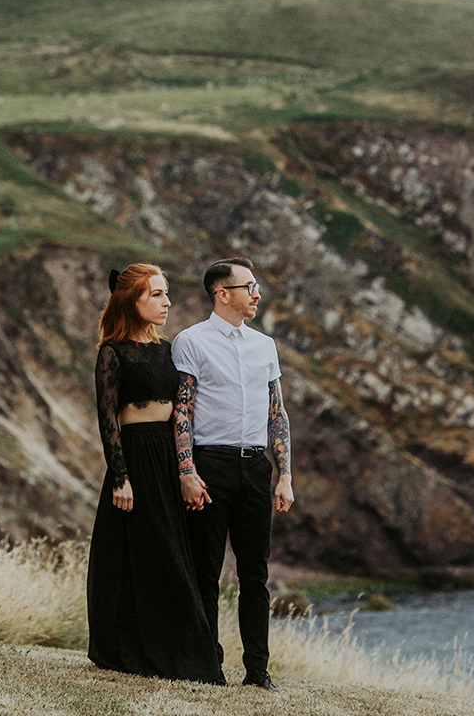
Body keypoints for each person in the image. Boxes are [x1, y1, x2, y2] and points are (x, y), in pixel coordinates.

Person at [86, 263, 221, 684]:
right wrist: (120, 475)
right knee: (139, 554)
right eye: (156, 295)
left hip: (168, 454)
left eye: (166, 293)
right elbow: (107, 416)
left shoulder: (167, 350)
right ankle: (129, 648)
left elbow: (183, 410)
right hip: (135, 457)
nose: (166, 302)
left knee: (175, 553)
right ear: (133, 301)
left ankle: (186, 650)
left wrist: (187, 468)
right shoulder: (112, 351)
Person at [171, 257, 294, 691]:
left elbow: (277, 413)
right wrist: (186, 471)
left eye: (256, 285)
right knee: (206, 571)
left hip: (255, 467)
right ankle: (209, 666)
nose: (257, 293)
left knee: (255, 574)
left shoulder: (265, 346)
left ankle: (258, 672)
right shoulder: (190, 342)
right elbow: (181, 411)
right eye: (249, 286)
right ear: (223, 294)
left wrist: (284, 475)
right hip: (209, 466)